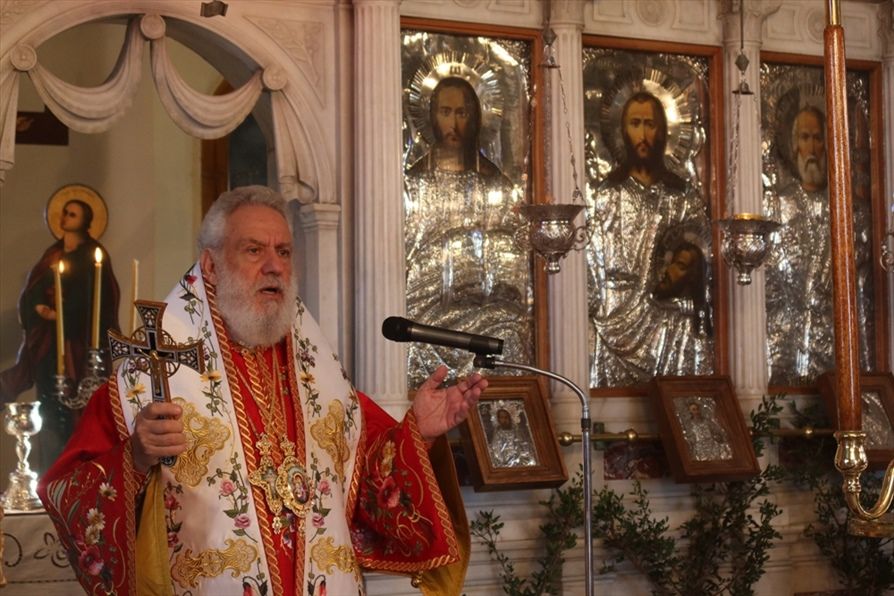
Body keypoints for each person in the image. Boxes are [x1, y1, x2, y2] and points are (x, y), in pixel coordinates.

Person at [37, 186, 488, 596]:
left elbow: (366, 480)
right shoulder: (147, 379)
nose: (274, 266)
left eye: (283, 251)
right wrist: (135, 457)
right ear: (210, 265)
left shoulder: (321, 376)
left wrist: (419, 432)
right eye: (254, 250)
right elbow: (68, 494)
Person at [403, 76, 531, 388]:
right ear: (432, 116)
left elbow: (513, 253)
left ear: (475, 118)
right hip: (429, 308)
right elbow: (404, 257)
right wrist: (453, 257)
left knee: (511, 330)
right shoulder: (412, 185)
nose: (454, 124)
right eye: (446, 112)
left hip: (485, 304)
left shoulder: (497, 186)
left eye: (462, 113)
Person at [587, 91, 712, 387]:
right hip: (615, 318)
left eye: (650, 124)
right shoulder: (605, 197)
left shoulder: (684, 198)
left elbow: (703, 258)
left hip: (670, 323)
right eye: (635, 124)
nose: (643, 135)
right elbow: (589, 263)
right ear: (623, 132)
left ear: (663, 132)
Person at [1, 198, 120, 472]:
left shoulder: (93, 255)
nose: (65, 217)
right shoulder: (52, 254)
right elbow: (32, 292)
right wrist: (39, 308)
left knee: (81, 411)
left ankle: (83, 477)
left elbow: (97, 299)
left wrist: (64, 314)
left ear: (85, 221)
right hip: (50, 348)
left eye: (72, 214)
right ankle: (51, 477)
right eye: (65, 213)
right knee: (51, 408)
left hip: (80, 347)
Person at [764, 105, 873, 385]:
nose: (812, 147)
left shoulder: (851, 211)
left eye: (818, 138)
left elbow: (862, 289)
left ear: (828, 145)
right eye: (805, 138)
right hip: (785, 348)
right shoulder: (777, 207)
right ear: (793, 146)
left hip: (834, 348)